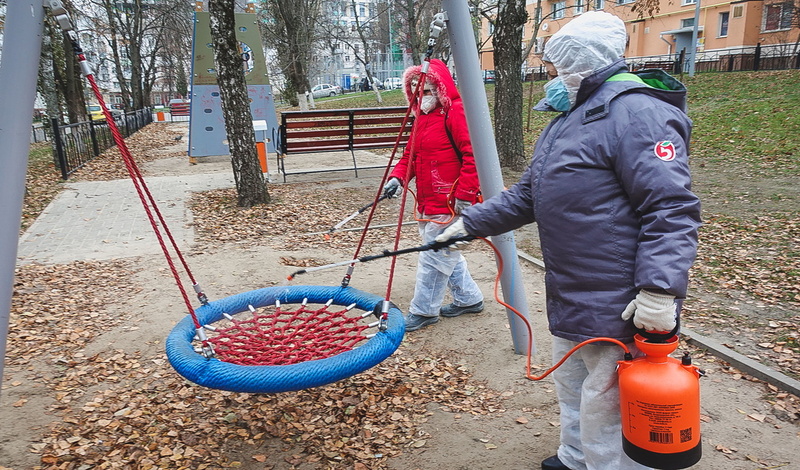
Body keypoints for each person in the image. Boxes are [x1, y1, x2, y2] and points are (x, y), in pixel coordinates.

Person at [435, 11, 701, 470]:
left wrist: (658, 291)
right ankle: (576, 457)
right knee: (575, 386)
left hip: (617, 297)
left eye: (555, 67)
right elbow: (529, 195)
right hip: (573, 289)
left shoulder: (640, 115)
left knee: (608, 406)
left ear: (583, 63)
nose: (550, 77)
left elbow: (671, 209)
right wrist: (470, 223)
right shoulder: (569, 120)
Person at [382, 59, 484, 332]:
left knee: (434, 255)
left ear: (440, 88)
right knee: (445, 252)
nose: (421, 97)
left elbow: (474, 154)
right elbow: (410, 156)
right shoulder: (422, 118)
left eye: (426, 91)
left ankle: (424, 311)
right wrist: (397, 177)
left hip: (452, 201)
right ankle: (469, 298)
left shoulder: (456, 112)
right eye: (416, 92)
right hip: (429, 200)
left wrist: (466, 192)